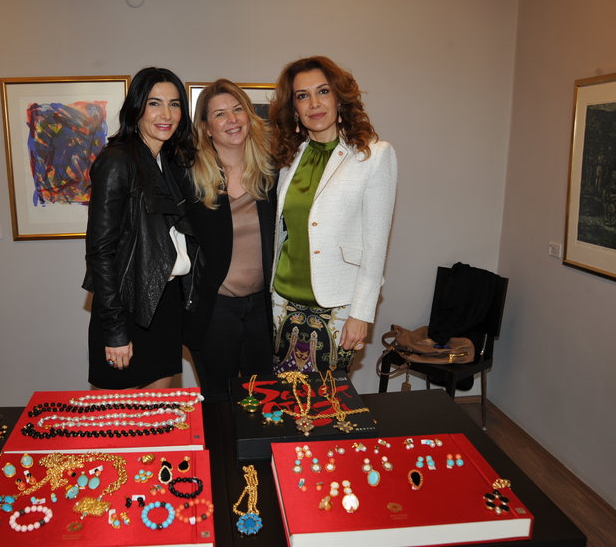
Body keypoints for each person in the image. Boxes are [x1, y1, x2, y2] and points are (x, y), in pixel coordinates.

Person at [269, 56, 397, 374]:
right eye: (302, 96)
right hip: (281, 301)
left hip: (337, 305)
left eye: (323, 91)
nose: (314, 103)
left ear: (339, 98)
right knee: (283, 394)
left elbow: (376, 247)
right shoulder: (289, 157)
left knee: (327, 397)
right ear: (294, 108)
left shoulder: (374, 155)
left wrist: (361, 314)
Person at [82, 66, 201, 389]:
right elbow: (100, 251)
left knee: (159, 412)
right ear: (137, 108)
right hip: (128, 307)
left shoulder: (169, 162)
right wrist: (115, 330)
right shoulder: (117, 160)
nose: (166, 114)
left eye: (174, 104)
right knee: (121, 416)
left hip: (165, 305)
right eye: (154, 103)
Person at [184, 79, 276, 402]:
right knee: (219, 403)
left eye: (238, 109)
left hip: (264, 310)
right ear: (207, 127)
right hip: (216, 311)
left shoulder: (272, 171)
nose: (232, 120)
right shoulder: (191, 177)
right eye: (220, 114)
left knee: (265, 402)